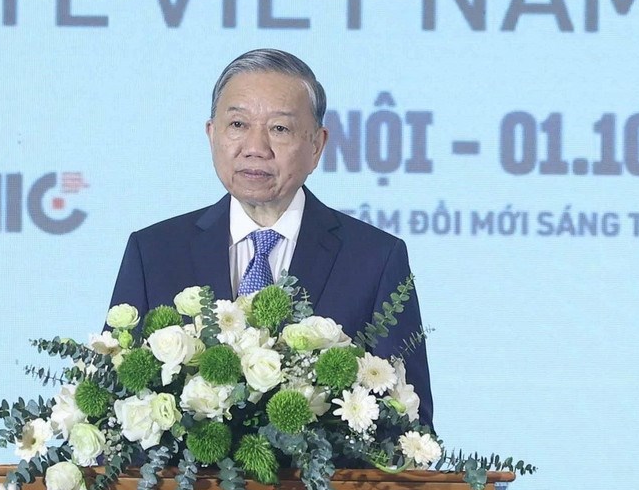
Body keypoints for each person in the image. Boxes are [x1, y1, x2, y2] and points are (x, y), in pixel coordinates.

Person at [108, 49, 433, 428]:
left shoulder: (375, 259)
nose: (255, 148)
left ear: (317, 145)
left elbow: (410, 426)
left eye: (280, 129)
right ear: (212, 134)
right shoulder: (154, 253)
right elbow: (113, 407)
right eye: (237, 124)